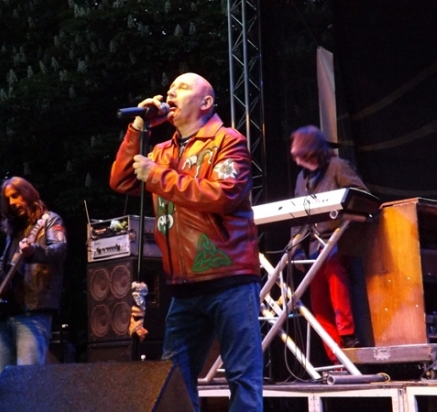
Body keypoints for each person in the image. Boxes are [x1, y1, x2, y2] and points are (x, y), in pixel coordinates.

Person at [110, 73, 263, 412]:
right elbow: (121, 180)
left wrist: (157, 175)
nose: (170, 93)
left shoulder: (228, 141)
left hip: (231, 278)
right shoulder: (161, 151)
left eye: (181, 87)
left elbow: (224, 194)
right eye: (169, 88)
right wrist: (138, 127)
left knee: (242, 378)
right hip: (183, 287)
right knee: (175, 381)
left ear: (206, 102)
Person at [289, 125, 367, 363]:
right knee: (317, 299)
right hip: (315, 245)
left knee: (333, 269)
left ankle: (347, 334)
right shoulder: (302, 178)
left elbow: (361, 196)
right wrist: (296, 249)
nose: (296, 158)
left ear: (310, 150)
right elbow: (297, 216)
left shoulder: (338, 167)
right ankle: (336, 359)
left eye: (300, 153)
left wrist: (340, 212)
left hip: (339, 240)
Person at [0, 176, 67, 377]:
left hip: (33, 310)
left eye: (16, 195)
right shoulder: (15, 230)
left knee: (28, 380)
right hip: (5, 313)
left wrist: (34, 251)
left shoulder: (50, 220)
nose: (12, 202)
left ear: (29, 194)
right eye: (8, 198)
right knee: (4, 382)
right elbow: (4, 263)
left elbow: (60, 251)